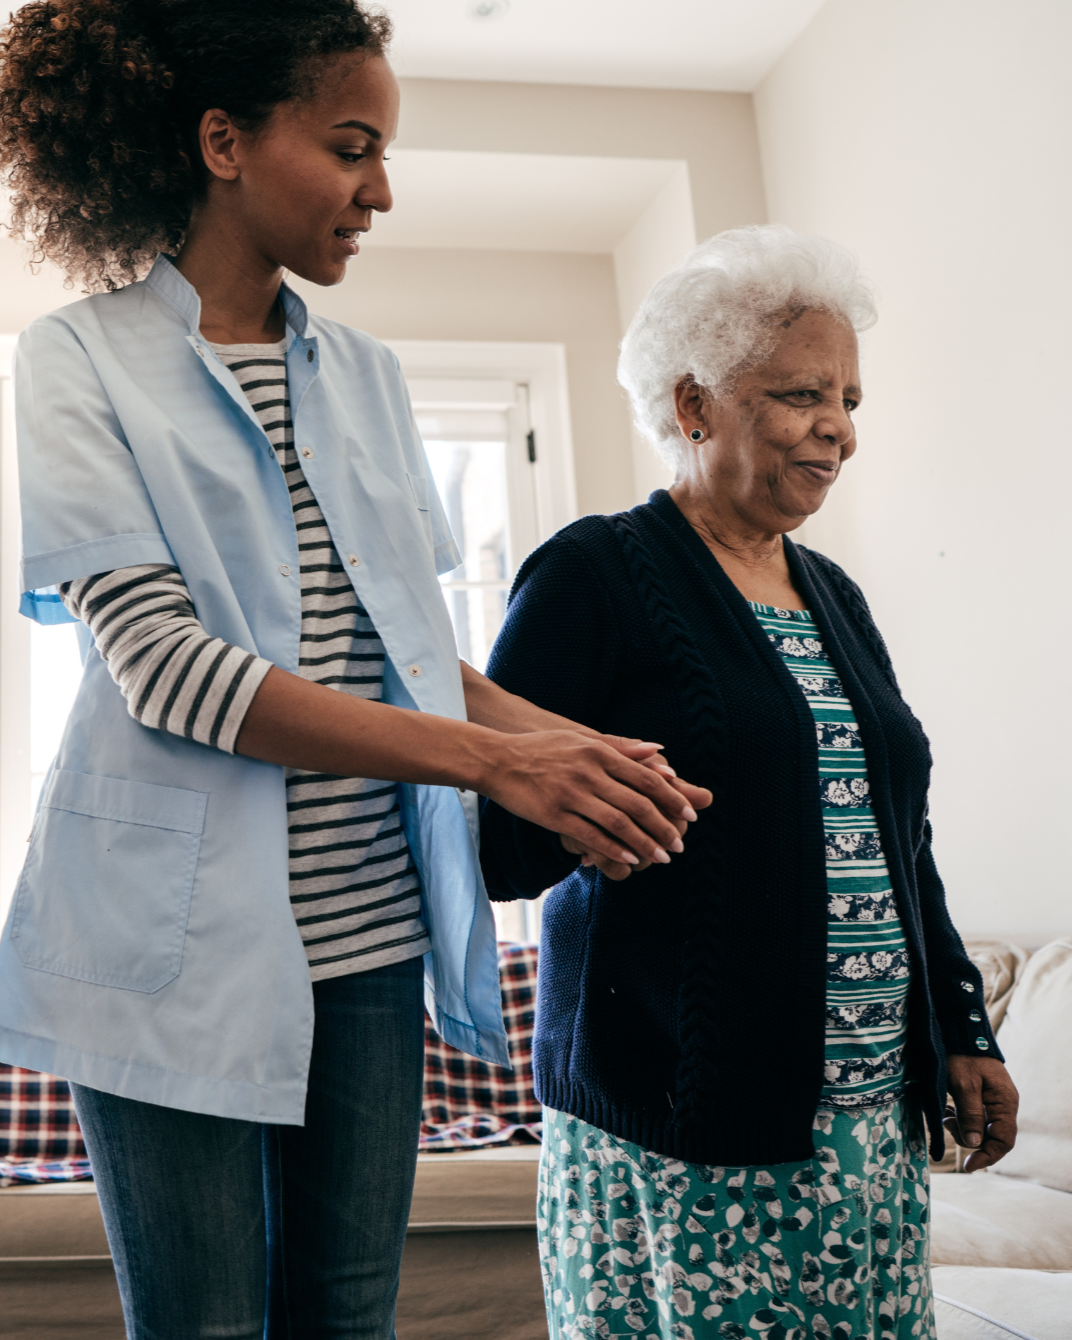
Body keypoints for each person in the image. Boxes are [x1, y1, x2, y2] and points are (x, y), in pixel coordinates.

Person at [0, 3, 710, 1336]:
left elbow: (397, 652)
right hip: (161, 949)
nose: (381, 191)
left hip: (370, 946)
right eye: (351, 146)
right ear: (223, 141)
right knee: (204, 1325)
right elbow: (171, 674)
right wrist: (503, 760)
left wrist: (582, 756)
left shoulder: (369, 377)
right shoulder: (74, 361)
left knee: (350, 1317)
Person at [480, 225, 1020, 1340]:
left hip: (867, 1115)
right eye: (800, 394)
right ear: (692, 404)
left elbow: (895, 839)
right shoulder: (592, 574)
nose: (837, 428)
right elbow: (497, 835)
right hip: (688, 1111)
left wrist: (961, 1022)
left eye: (849, 398)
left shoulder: (833, 593)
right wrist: (599, 811)